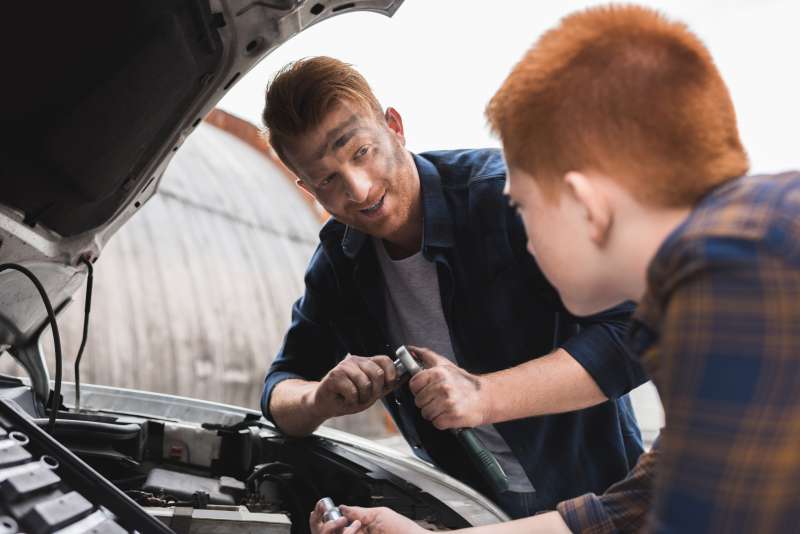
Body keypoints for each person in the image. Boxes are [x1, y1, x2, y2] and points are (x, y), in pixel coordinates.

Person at [315, 3, 800, 533]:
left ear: (584, 206)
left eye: (521, 206)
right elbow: (626, 512)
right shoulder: (718, 280)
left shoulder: (745, 278)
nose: (521, 232)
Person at [260, 56, 647, 518]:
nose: (359, 191)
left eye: (361, 152)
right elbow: (279, 388)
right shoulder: (338, 266)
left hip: (597, 502)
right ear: (307, 189)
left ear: (394, 127)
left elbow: (637, 331)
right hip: (468, 511)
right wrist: (318, 398)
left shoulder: (512, 197)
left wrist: (485, 396)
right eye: (327, 179)